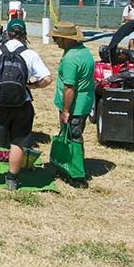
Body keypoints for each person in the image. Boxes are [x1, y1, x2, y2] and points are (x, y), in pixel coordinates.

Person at [0, 18, 52, 190]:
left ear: (7, 33)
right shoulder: (30, 54)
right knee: (18, 142)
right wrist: (32, 85)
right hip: (21, 104)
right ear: (24, 35)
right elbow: (47, 78)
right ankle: (12, 180)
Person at [47, 21, 95, 181]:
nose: (55, 42)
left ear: (66, 39)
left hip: (74, 107)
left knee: (73, 137)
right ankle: (74, 164)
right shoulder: (84, 52)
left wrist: (66, 111)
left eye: (57, 39)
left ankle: (75, 170)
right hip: (85, 102)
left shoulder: (70, 59)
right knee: (76, 135)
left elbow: (69, 87)